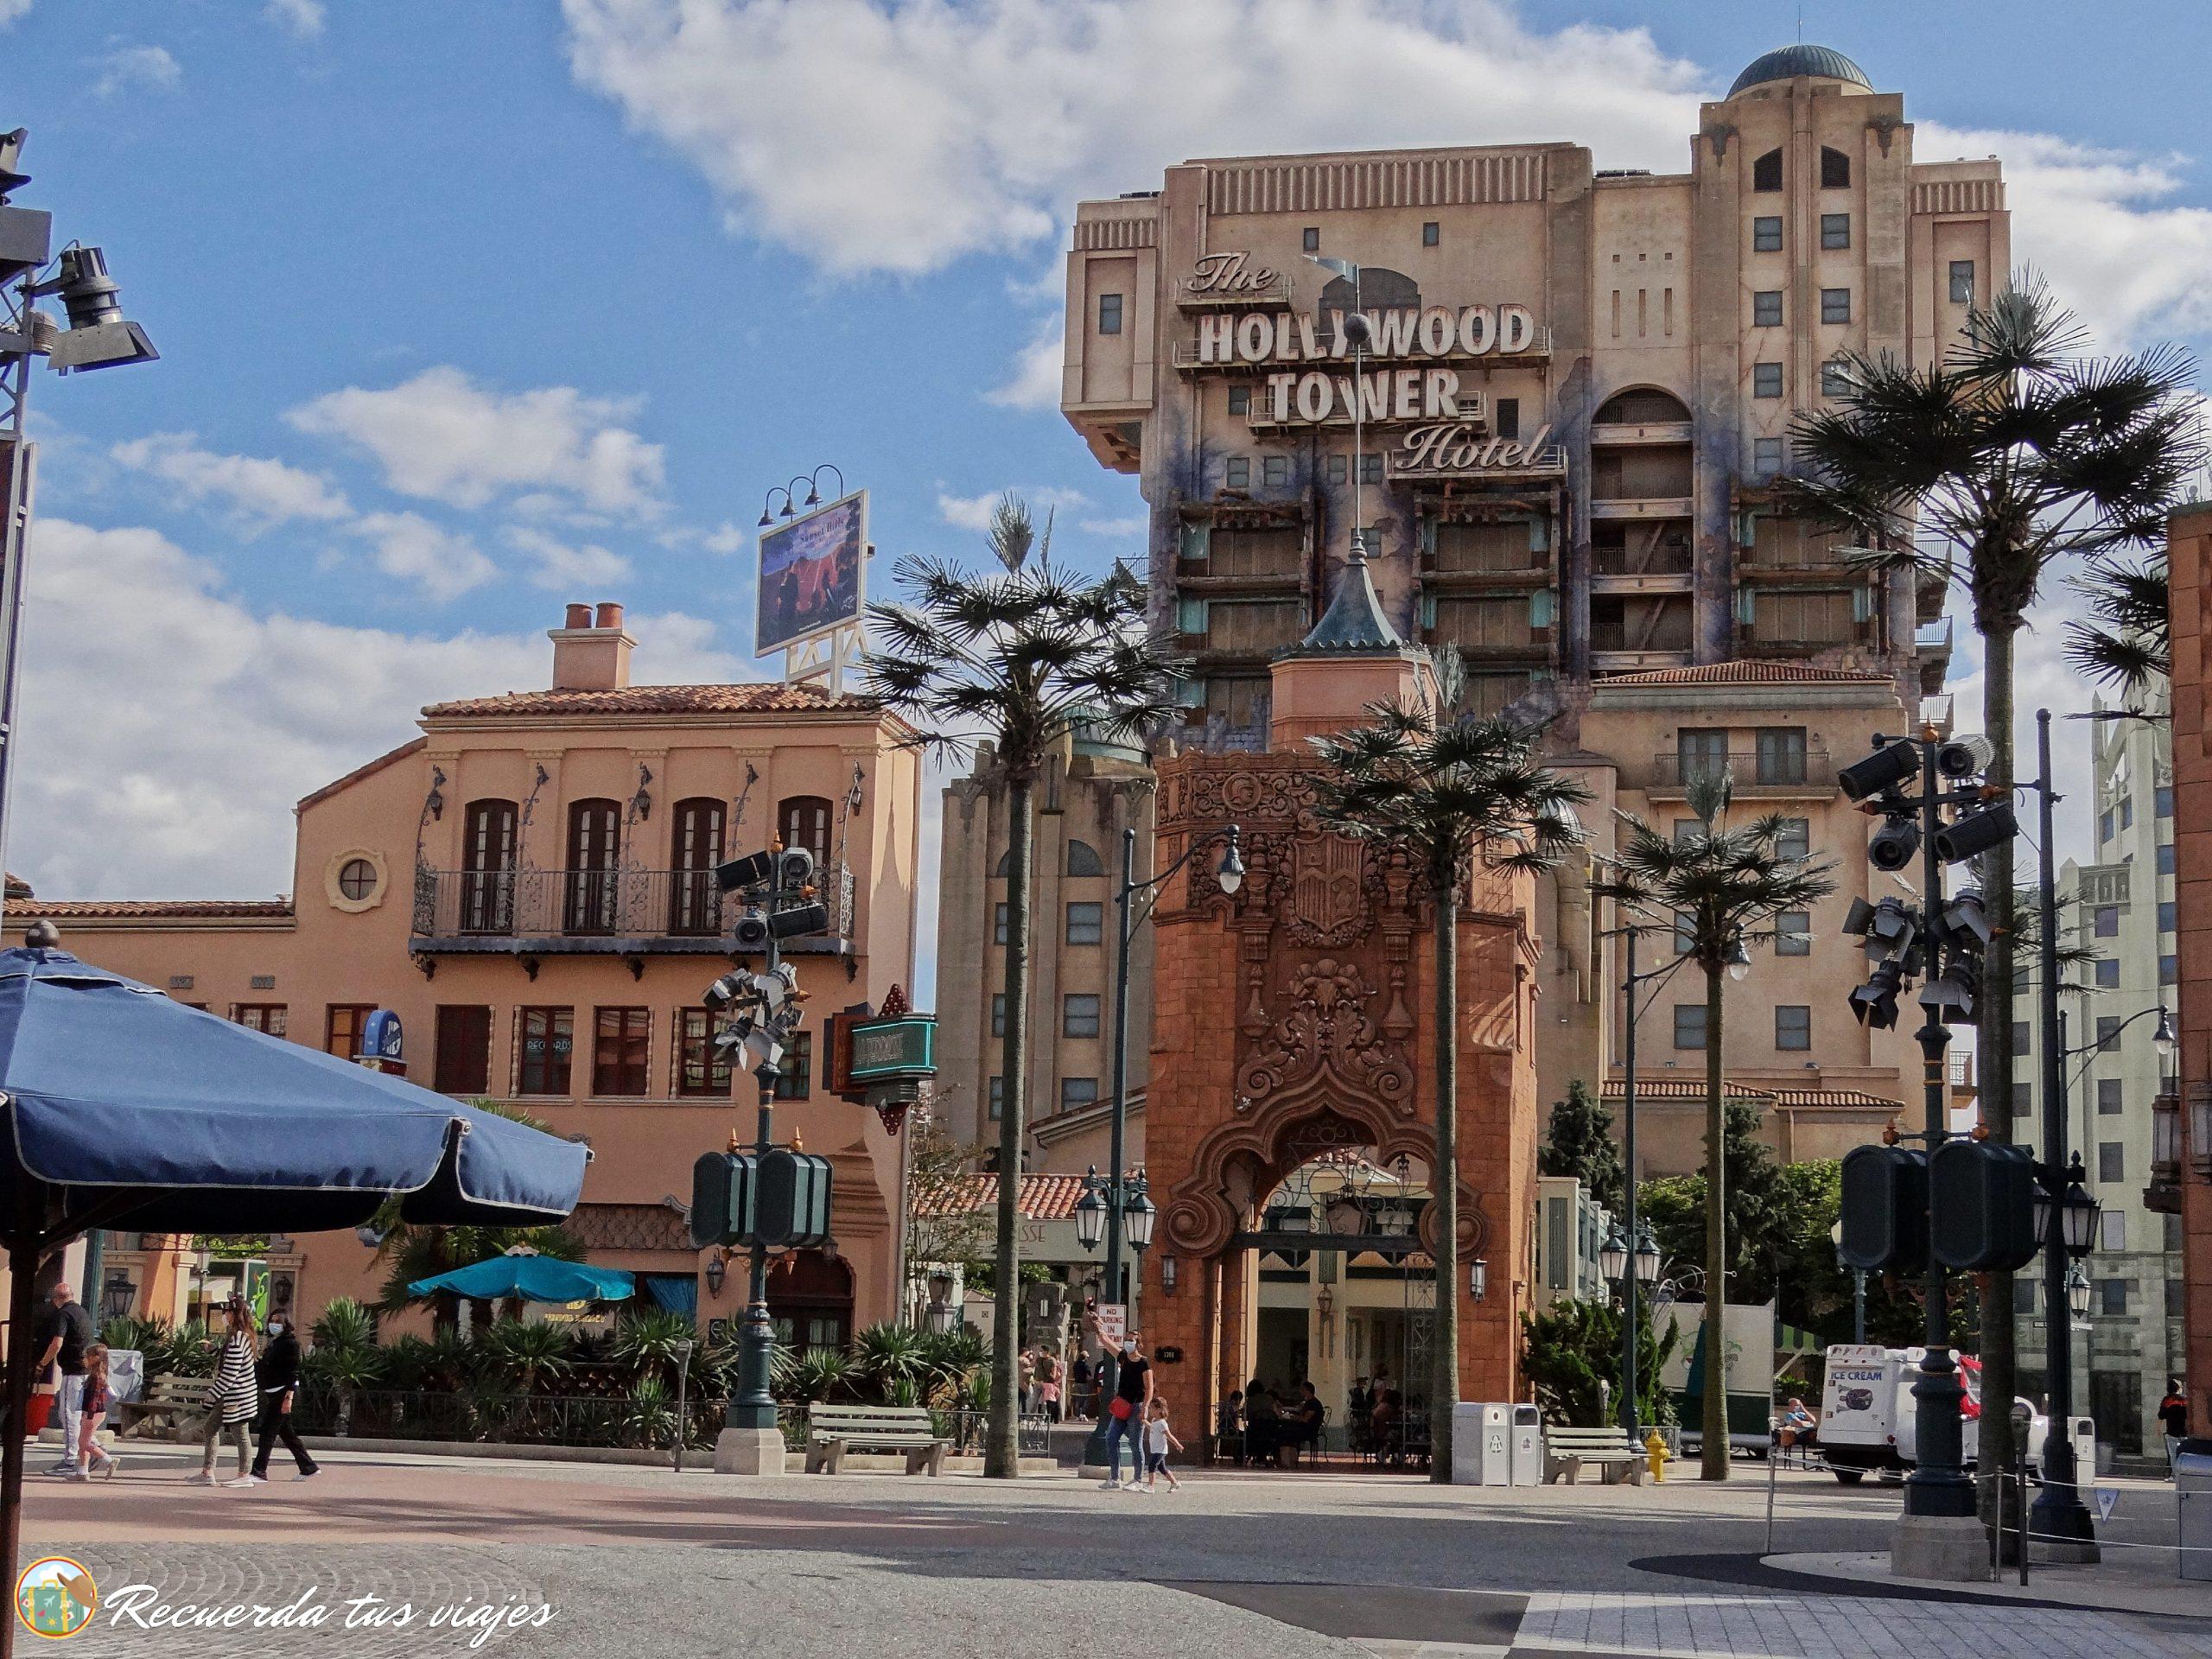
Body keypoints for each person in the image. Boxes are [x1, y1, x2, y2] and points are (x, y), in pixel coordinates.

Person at [192, 1299, 259, 1486]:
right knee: (210, 1427)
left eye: (227, 1312)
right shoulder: (240, 1336)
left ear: (234, 1314)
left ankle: (244, 1475)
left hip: (236, 1395)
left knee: (240, 1433)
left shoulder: (238, 1339)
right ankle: (208, 1472)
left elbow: (230, 1373)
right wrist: (214, 1350)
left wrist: (212, 1395)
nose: (224, 1316)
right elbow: (229, 1360)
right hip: (232, 1394)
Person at [244, 1313, 318, 1484]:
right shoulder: (274, 1343)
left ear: (286, 1325)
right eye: (272, 1321)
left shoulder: (291, 1344)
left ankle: (259, 1471)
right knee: (287, 1434)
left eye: (278, 1322)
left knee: (267, 1431)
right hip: (272, 1391)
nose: (273, 1324)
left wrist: (289, 1397)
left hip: (283, 1393)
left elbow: (294, 1371)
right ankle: (308, 1466)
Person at [35, 1281, 94, 1480]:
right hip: (86, 1371)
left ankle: (70, 1460)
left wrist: (42, 1363)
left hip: (73, 1372)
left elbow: (57, 1343)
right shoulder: (81, 1312)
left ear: (56, 1299)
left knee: (69, 1415)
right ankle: (95, 1450)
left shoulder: (63, 1314)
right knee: (81, 1417)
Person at [1088, 1314, 1152, 1491]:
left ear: (1138, 1344)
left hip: (1136, 1406)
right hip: (1122, 1406)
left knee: (1135, 1444)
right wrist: (1098, 1326)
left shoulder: (1144, 1363)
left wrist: (1145, 1407)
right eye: (1127, 1340)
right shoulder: (1123, 1357)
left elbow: (1149, 1387)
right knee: (1111, 1438)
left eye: (1131, 1340)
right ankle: (1115, 1478)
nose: (1128, 1343)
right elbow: (1107, 1342)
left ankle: (1138, 1480)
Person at [67, 1344, 118, 1481]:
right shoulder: (97, 1375)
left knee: (84, 1443)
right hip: (93, 1412)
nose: (85, 1360)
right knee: (83, 1441)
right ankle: (83, 1471)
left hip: (93, 1413)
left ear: (96, 1358)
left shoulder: (97, 1377)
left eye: (87, 1357)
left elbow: (94, 1399)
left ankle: (109, 1460)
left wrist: (88, 1415)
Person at [1142, 1399, 1184, 1492]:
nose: (1150, 1410)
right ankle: (1175, 1483)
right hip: (1155, 1449)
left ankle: (1150, 1486)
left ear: (1159, 1410)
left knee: (1152, 1466)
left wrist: (1178, 1444)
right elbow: (1151, 1428)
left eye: (1152, 1408)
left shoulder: (1162, 1423)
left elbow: (1169, 1436)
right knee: (1162, 1468)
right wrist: (1144, 1421)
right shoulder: (1154, 1420)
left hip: (1160, 1450)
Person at [2161, 1377, 2190, 1470]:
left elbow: (2162, 1415)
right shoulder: (2185, 1400)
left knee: (2173, 1456)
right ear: (2179, 1388)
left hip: (2172, 1433)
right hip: (2184, 1433)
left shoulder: (2167, 1400)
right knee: (2185, 1455)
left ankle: (2175, 1474)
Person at [1215, 1388, 1245, 1465]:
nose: (1239, 1403)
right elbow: (1230, 1415)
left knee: (1240, 1434)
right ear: (1237, 1399)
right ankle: (1239, 1456)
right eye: (1239, 1400)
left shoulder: (1226, 1404)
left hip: (1223, 1428)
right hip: (1227, 1429)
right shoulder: (1229, 1406)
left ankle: (1238, 1456)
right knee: (1242, 1435)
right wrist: (1240, 1411)